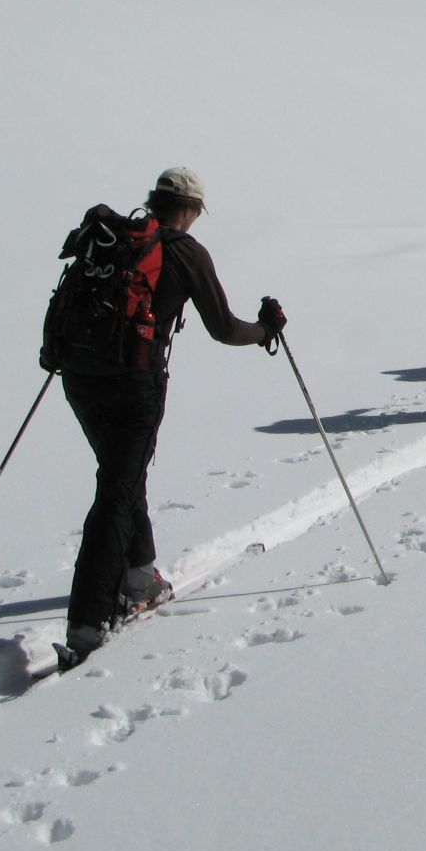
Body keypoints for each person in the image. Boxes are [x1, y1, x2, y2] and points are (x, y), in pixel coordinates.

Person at [56, 168, 282, 668]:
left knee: (120, 475)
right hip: (134, 384)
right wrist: (266, 329)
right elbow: (223, 328)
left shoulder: (113, 240)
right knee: (117, 488)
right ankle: (89, 622)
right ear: (192, 208)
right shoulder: (184, 251)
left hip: (79, 377)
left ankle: (139, 574)